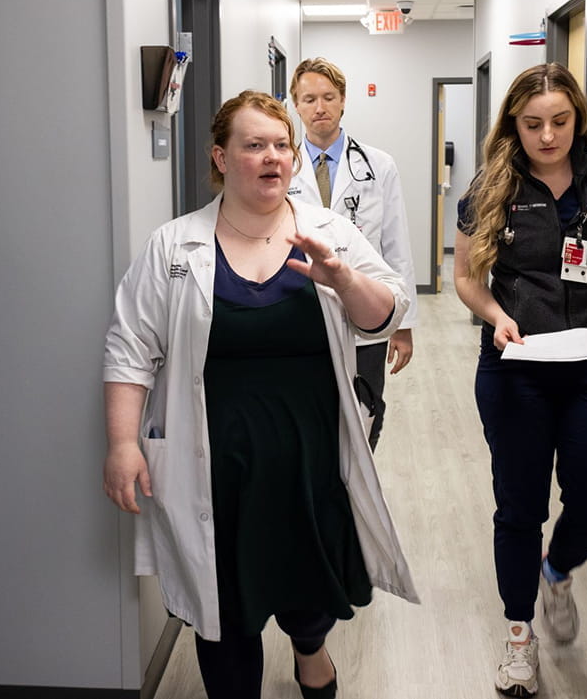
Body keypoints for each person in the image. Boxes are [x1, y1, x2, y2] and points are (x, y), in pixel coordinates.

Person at [102, 90, 418, 699]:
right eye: (254, 146)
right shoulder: (174, 245)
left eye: (282, 145)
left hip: (310, 457)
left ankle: (310, 650)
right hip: (214, 465)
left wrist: (344, 279)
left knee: (308, 591)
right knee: (223, 611)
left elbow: (382, 316)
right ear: (221, 157)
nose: (272, 157)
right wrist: (122, 442)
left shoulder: (330, 233)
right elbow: (129, 347)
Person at [453, 63, 587, 698]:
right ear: (514, 124)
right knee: (520, 506)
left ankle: (556, 568)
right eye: (533, 124)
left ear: (577, 119)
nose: (548, 135)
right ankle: (517, 637)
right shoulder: (489, 189)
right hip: (517, 369)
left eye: (560, 121)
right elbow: (467, 280)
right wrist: (498, 317)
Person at [288, 57, 418, 451]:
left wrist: (404, 324)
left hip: (367, 314)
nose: (319, 107)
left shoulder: (379, 166)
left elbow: (396, 244)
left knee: (366, 409)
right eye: (309, 98)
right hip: (301, 312)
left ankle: (355, 497)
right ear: (295, 104)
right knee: (308, 413)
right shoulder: (282, 166)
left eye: (328, 97)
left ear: (343, 101)